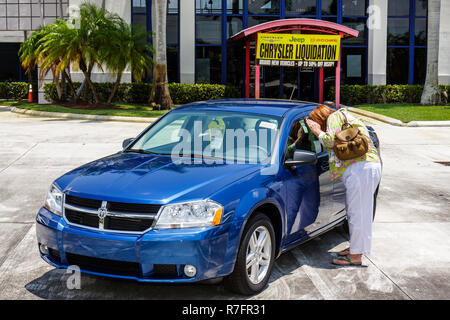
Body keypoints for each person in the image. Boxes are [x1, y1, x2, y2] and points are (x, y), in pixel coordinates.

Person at [306, 105, 381, 266]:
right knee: (361, 213)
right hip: (367, 167)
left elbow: (332, 141)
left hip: (359, 169)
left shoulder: (334, 118)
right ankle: (357, 249)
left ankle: (355, 256)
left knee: (357, 214)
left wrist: (317, 131)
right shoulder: (345, 117)